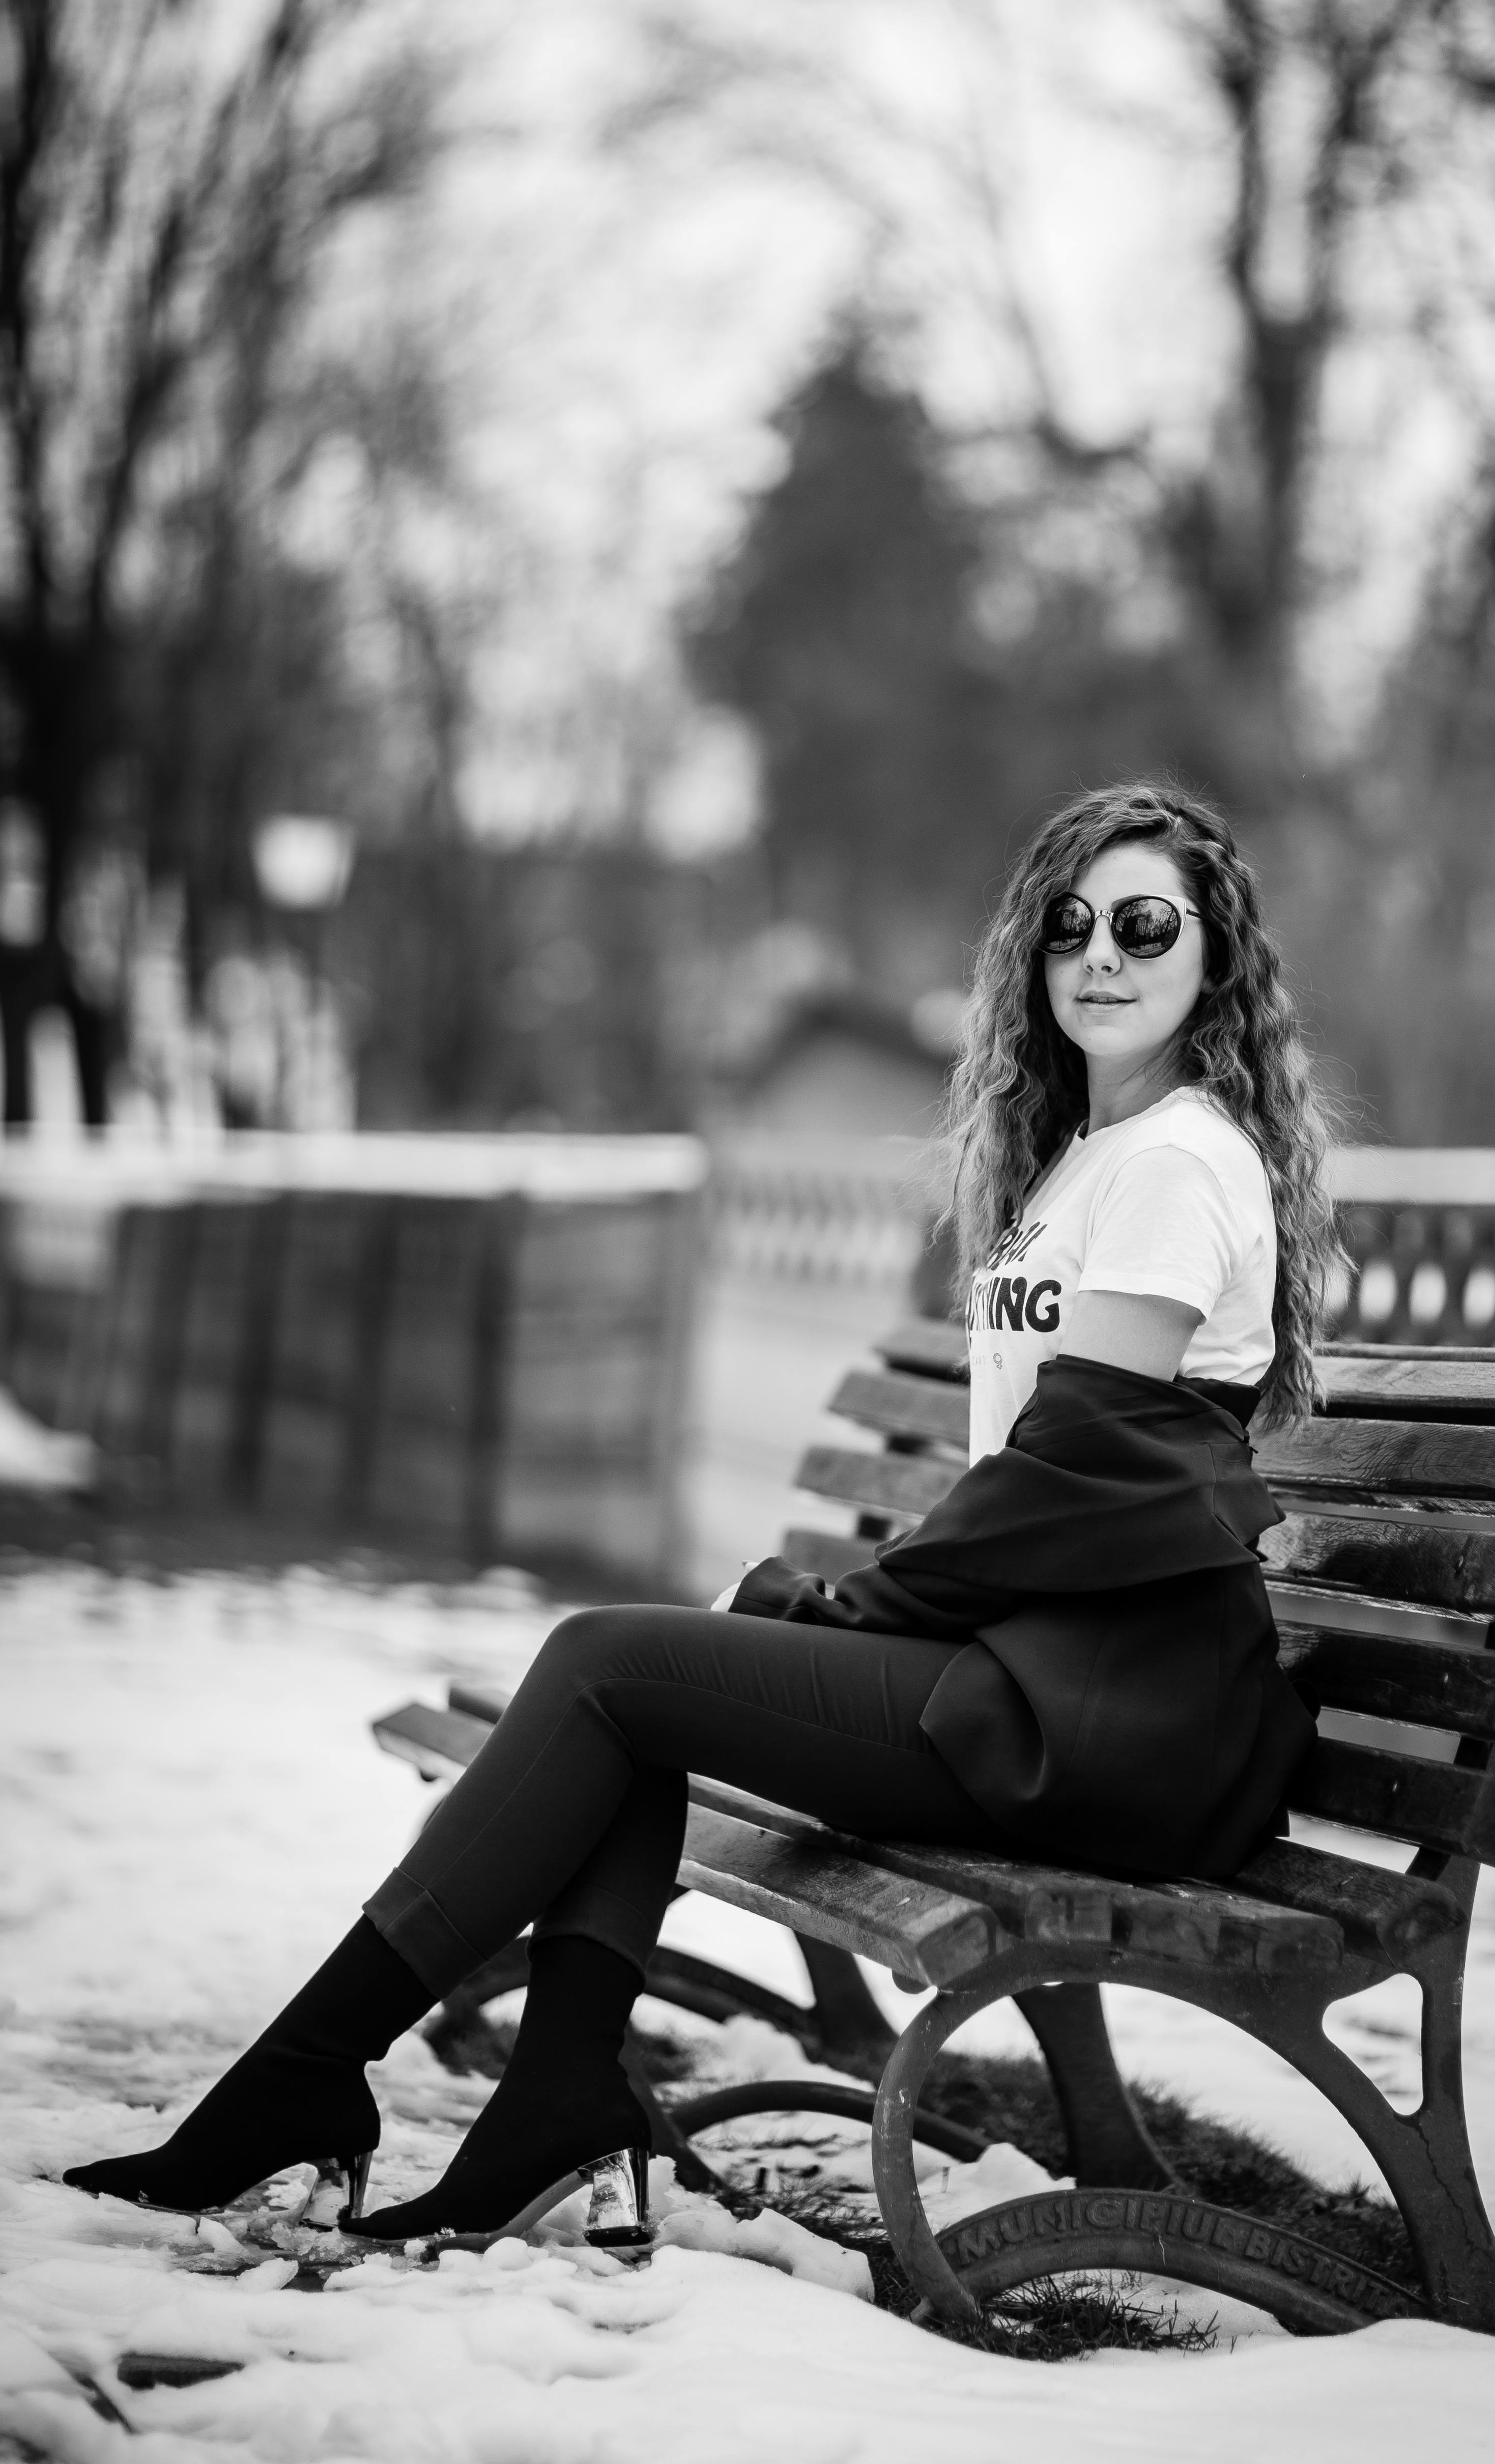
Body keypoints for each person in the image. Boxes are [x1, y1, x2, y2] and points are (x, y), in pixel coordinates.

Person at [65, 780, 1333, 2252]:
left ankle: (305, 2081)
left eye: (1141, 925)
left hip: (1103, 1719)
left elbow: (1076, 1474)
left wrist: (860, 1605)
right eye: (1068, 926)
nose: (1098, 955)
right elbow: (1053, 1479)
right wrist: (866, 1603)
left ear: (1212, 958)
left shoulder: (1177, 1160)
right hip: (1036, 1676)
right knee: (639, 1691)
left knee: (616, 1665)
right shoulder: (1086, 1159)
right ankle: (543, 2098)